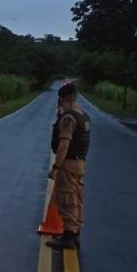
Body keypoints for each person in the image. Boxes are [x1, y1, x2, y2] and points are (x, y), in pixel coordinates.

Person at [47, 83, 91, 250]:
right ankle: (75, 232)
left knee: (67, 199)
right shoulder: (83, 116)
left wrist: (56, 167)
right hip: (80, 163)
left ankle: (68, 236)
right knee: (77, 198)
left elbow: (64, 145)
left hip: (69, 164)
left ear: (62, 99)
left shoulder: (68, 118)